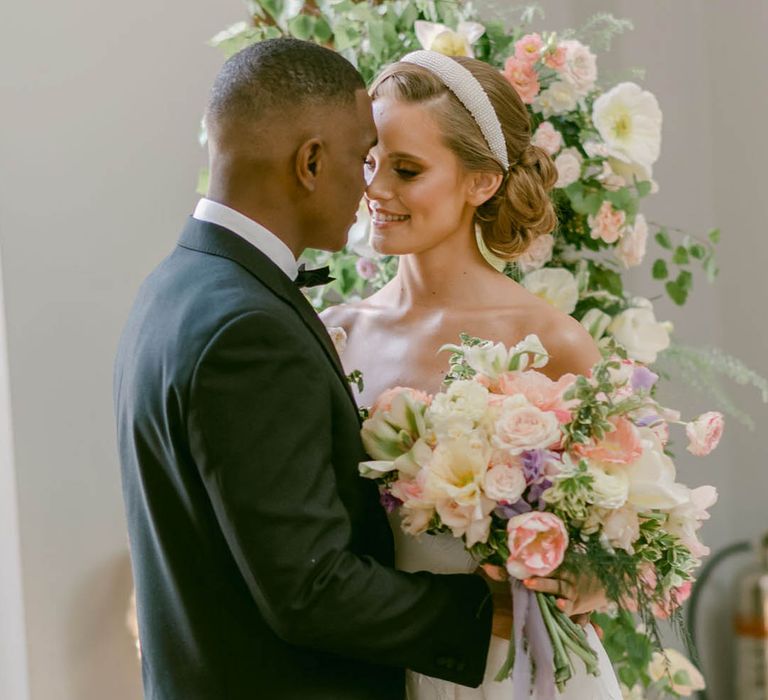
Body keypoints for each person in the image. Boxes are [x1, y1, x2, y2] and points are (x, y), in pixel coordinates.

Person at [114, 39, 512, 700]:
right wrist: (493, 607)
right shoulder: (250, 331)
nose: (370, 187)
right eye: (364, 159)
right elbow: (309, 588)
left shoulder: (175, 287)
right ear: (311, 162)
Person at [322, 51, 624, 699]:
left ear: (481, 182)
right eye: (370, 162)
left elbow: (621, 529)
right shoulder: (335, 333)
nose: (375, 188)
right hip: (378, 663)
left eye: (407, 169)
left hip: (519, 667)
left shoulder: (549, 340)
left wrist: (592, 576)